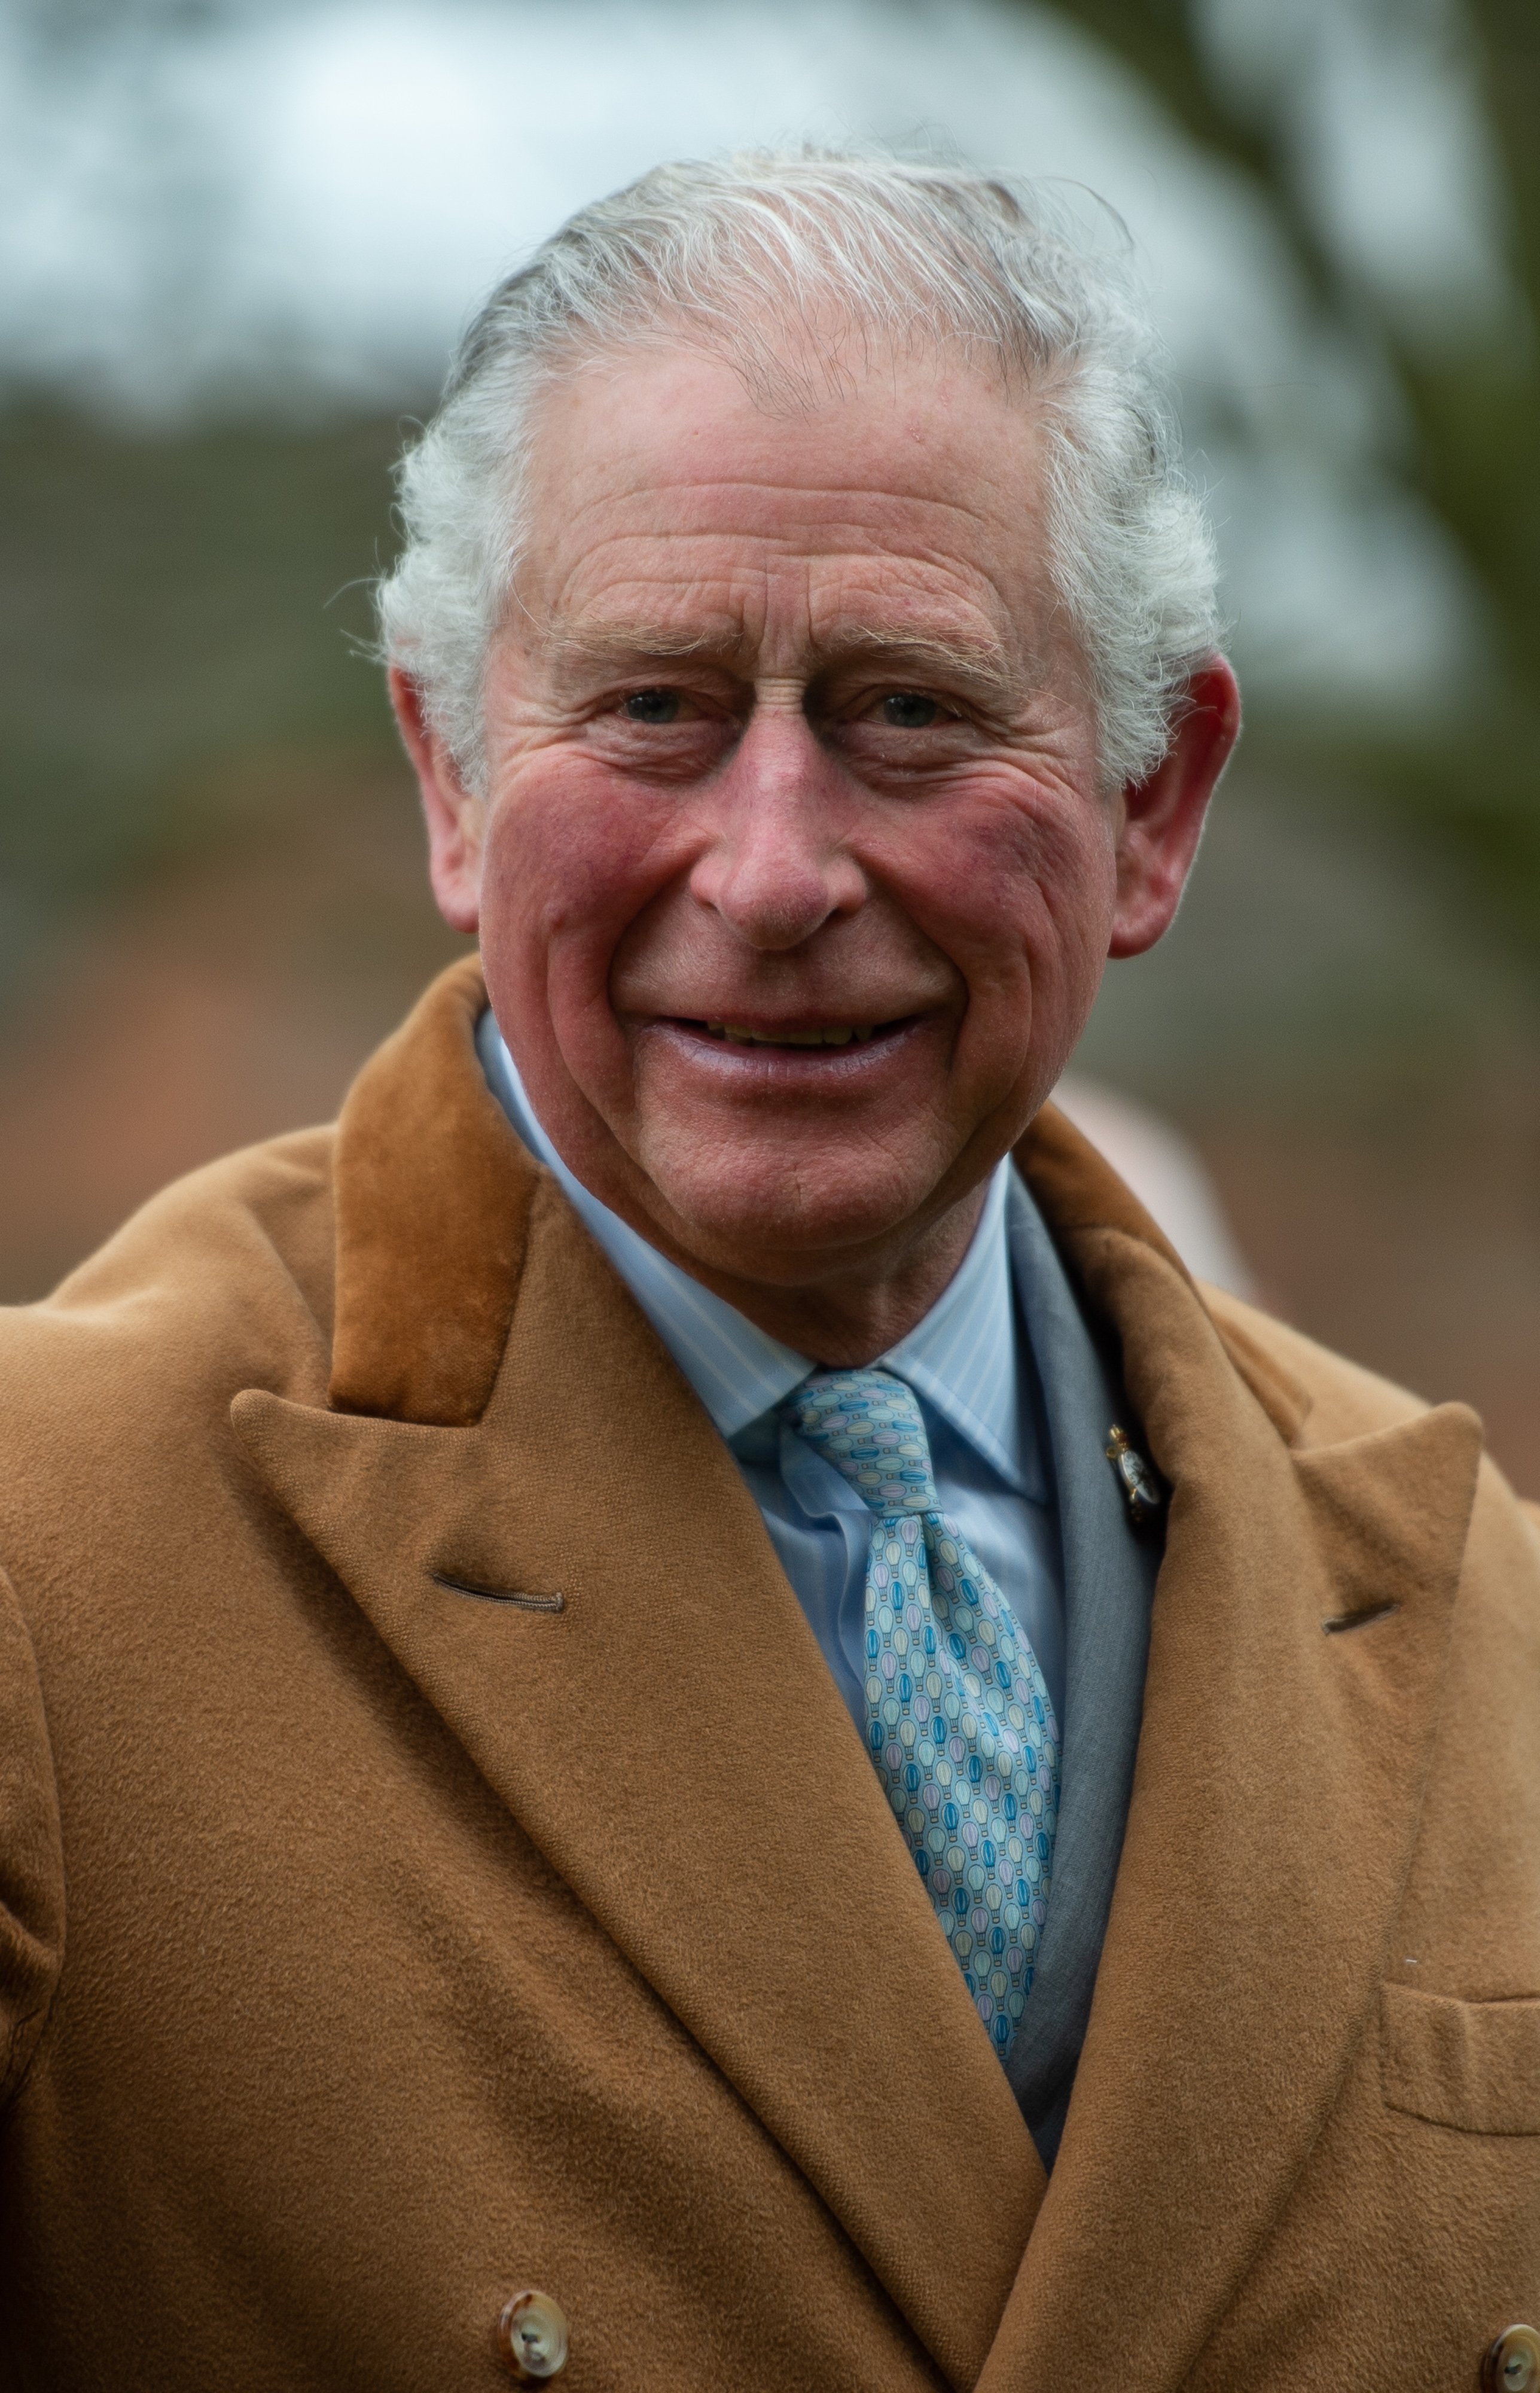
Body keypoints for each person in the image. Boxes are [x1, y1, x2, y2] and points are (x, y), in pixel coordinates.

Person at [1, 151, 1535, 2393]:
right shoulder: (47, 1555)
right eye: (653, 709)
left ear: (1154, 804)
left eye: (911, 709)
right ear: (448, 776)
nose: (780, 864)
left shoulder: (1484, 1621)